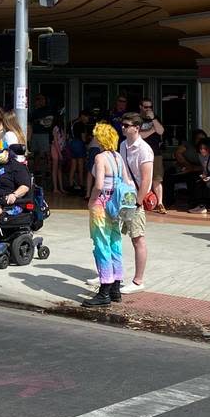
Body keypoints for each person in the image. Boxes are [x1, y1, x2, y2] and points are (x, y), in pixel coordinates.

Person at [82, 121, 133, 306]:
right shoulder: (118, 156)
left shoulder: (100, 158)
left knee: (101, 245)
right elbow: (127, 181)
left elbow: (99, 185)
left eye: (96, 135)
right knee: (115, 243)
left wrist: (90, 201)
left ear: (101, 138)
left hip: (101, 204)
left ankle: (104, 291)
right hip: (116, 206)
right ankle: (116, 289)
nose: (94, 138)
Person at [118, 112, 153, 292]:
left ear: (136, 128)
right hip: (124, 196)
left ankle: (138, 280)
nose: (123, 127)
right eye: (122, 125)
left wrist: (138, 203)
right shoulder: (123, 145)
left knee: (137, 237)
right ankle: (113, 273)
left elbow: (146, 180)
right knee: (114, 234)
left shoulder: (144, 149)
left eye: (126, 125)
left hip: (135, 198)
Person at [163, 129, 206, 208]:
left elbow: (205, 166)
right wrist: (186, 165)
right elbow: (177, 153)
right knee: (168, 175)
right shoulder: (188, 145)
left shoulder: (205, 149)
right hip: (183, 168)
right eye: (198, 139)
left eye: (202, 139)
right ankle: (168, 201)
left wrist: (192, 168)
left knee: (194, 179)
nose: (200, 141)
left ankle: (194, 203)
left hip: (196, 171)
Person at [138, 98, 166, 212]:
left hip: (155, 152)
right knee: (141, 178)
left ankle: (160, 203)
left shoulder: (156, 118)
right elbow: (140, 135)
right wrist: (152, 130)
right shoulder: (137, 119)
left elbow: (161, 131)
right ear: (140, 107)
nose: (148, 109)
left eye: (150, 107)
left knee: (157, 178)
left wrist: (153, 119)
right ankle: (141, 201)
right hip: (141, 153)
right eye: (146, 107)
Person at [28, 92, 56, 178]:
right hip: (35, 134)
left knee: (46, 153)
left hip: (45, 134)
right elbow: (30, 121)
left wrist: (38, 121)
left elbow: (48, 122)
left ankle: (48, 170)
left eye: (40, 99)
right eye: (37, 99)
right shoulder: (34, 111)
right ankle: (37, 170)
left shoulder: (48, 110)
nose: (38, 101)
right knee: (36, 153)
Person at [67, 108, 91, 196]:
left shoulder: (72, 123)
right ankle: (81, 185)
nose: (88, 119)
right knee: (80, 165)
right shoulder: (81, 124)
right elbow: (83, 138)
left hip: (71, 143)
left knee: (73, 165)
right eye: (87, 117)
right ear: (82, 116)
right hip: (79, 144)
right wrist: (88, 140)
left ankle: (70, 184)